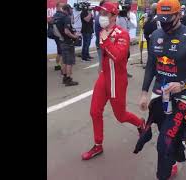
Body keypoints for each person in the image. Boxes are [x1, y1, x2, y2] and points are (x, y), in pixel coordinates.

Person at [138, 0, 186, 179]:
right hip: (158, 96)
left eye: (168, 20)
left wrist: (183, 84)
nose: (165, 25)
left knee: (163, 143)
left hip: (181, 98)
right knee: (168, 137)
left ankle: (162, 175)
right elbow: (150, 67)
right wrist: (144, 93)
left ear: (179, 15)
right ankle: (173, 158)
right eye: (161, 20)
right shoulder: (155, 34)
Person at [81, 2, 145, 160]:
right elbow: (105, 55)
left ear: (114, 16)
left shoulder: (122, 34)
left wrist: (105, 41)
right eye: (100, 13)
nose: (100, 17)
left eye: (104, 14)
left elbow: (117, 57)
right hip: (105, 76)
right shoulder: (103, 31)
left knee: (121, 116)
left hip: (118, 79)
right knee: (94, 111)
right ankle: (98, 145)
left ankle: (140, 124)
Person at [55, 4, 81, 86]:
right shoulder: (66, 18)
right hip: (68, 42)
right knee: (69, 62)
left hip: (61, 41)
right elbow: (66, 31)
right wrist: (75, 36)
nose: (72, 10)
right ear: (68, 9)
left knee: (64, 61)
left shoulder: (57, 17)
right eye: (71, 9)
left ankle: (65, 78)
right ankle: (68, 79)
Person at [116, 0, 137, 78]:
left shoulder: (126, 18)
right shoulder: (118, 19)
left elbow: (133, 26)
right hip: (120, 40)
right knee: (121, 57)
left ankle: (123, 71)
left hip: (126, 40)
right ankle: (119, 72)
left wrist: (128, 19)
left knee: (126, 56)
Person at [52, 2, 66, 72]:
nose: (63, 8)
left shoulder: (54, 15)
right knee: (63, 53)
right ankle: (63, 70)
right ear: (57, 7)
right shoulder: (62, 16)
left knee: (59, 52)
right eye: (62, 6)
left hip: (56, 36)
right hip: (61, 37)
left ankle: (57, 66)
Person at [94, 0, 107, 73]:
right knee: (102, 63)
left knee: (103, 62)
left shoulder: (102, 17)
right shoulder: (100, 18)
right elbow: (104, 32)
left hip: (102, 42)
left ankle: (103, 79)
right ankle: (101, 80)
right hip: (101, 43)